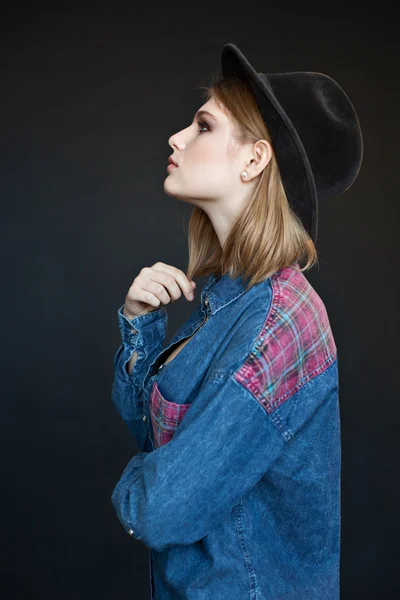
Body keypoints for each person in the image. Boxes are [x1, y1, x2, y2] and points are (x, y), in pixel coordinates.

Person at [110, 42, 363, 599]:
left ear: (254, 160)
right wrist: (140, 325)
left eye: (202, 125)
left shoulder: (280, 324)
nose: (176, 139)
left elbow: (162, 510)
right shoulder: (230, 299)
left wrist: (130, 483)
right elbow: (157, 436)